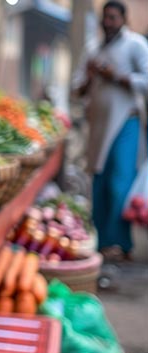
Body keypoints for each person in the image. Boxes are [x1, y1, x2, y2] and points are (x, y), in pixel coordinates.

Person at [72, 0, 148, 261]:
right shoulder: (92, 50)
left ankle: (121, 243)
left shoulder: (136, 45)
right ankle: (103, 242)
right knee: (100, 183)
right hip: (98, 127)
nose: (108, 22)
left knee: (119, 183)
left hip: (126, 123)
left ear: (123, 20)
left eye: (113, 18)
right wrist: (92, 76)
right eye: (105, 17)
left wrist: (120, 76)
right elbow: (76, 89)